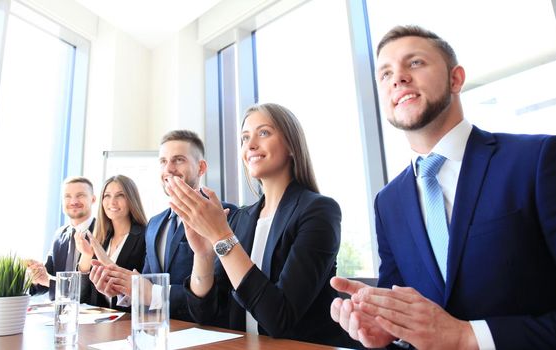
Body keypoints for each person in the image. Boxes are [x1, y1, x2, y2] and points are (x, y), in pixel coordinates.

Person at [330, 25, 556, 350]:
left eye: (414, 63)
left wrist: (467, 337)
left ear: (456, 79)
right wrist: (388, 331)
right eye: (385, 74)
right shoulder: (388, 203)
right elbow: (406, 316)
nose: (397, 78)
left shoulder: (539, 160)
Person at [167, 103, 354, 347]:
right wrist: (203, 254)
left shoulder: (319, 211)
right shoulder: (240, 219)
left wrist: (222, 237)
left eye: (263, 133)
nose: (250, 145)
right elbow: (204, 313)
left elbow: (279, 318)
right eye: (245, 138)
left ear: (291, 145)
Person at [88, 130, 236, 321]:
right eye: (163, 161)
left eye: (179, 160)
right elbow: (147, 285)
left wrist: (154, 293)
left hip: (206, 335)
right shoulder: (155, 223)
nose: (169, 168)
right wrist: (121, 288)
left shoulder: (226, 216)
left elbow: (221, 292)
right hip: (156, 331)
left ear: (201, 168)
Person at [80, 175, 147, 310]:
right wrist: (86, 258)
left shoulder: (145, 236)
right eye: (107, 196)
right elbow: (84, 295)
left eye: (120, 195)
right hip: (100, 322)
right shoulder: (100, 239)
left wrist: (105, 261)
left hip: (128, 321)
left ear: (131, 200)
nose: (112, 202)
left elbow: (146, 290)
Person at [27, 176, 96, 300]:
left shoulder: (103, 232)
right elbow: (45, 281)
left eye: (80, 195)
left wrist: (48, 280)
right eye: (67, 196)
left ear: (93, 199)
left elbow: (90, 290)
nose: (73, 201)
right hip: (60, 313)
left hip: (93, 313)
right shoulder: (59, 235)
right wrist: (35, 275)